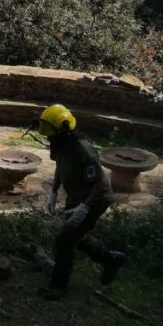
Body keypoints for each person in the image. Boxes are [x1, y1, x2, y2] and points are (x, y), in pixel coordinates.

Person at [39, 103, 125, 299]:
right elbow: (60, 168)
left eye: (50, 133)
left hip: (95, 199)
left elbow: (101, 182)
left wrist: (84, 208)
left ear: (62, 130)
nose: (48, 137)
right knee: (78, 236)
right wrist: (53, 192)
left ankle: (58, 286)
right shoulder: (61, 146)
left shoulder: (83, 150)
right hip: (77, 197)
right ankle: (111, 259)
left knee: (64, 239)